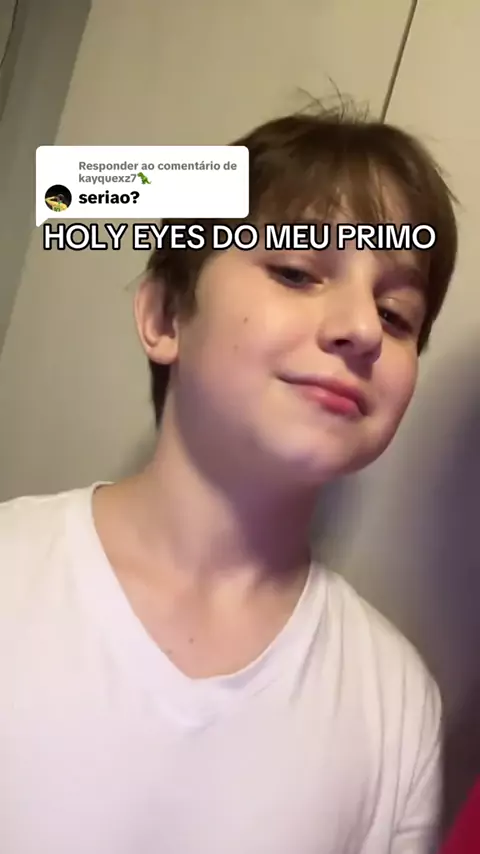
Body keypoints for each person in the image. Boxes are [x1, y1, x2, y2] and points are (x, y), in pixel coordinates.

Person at [0, 106, 458, 854]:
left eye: (396, 313)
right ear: (164, 316)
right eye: (296, 272)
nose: (362, 329)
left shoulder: (398, 705)